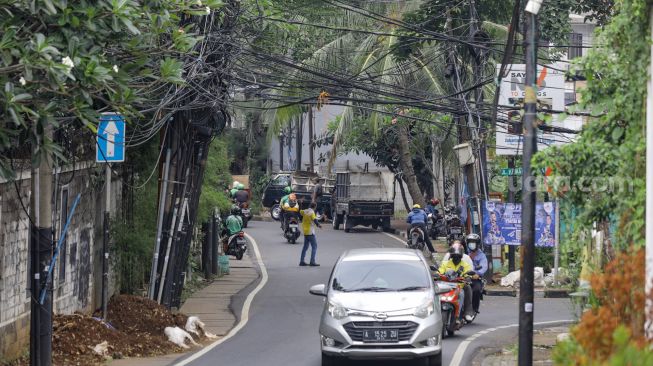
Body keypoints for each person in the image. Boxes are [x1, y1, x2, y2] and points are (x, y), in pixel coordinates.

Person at [438, 244, 474, 322]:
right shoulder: (445, 263)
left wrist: (467, 277)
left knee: (463, 292)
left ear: (461, 256)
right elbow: (440, 272)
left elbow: (468, 274)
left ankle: (460, 315)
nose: (456, 258)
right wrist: (437, 274)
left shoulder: (465, 265)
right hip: (446, 287)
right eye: (454, 256)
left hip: (459, 287)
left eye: (458, 256)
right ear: (451, 256)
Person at [466, 233, 487, 314]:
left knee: (476, 289)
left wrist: (478, 274)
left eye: (473, 242)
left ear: (477, 244)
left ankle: (474, 308)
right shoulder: (464, 253)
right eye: (470, 242)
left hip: (474, 277)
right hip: (463, 276)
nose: (471, 244)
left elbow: (484, 266)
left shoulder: (481, 256)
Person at [299, 202, 322, 266]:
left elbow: (300, 211)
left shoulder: (305, 211)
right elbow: (315, 220)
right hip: (310, 232)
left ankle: (301, 261)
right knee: (314, 246)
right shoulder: (312, 212)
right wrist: (319, 225)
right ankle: (312, 261)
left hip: (305, 231)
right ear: (315, 207)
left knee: (305, 247)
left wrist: (300, 203)